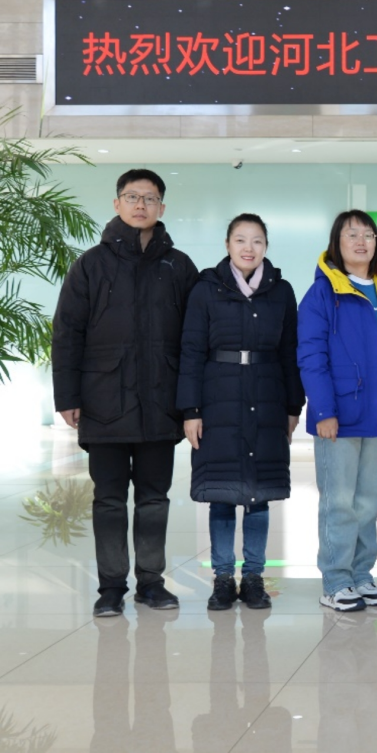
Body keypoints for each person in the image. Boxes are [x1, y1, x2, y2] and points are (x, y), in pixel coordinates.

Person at [52, 169, 199, 617]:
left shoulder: (179, 266)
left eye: (150, 198)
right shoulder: (90, 265)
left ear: (161, 208)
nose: (140, 205)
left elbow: (195, 340)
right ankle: (111, 587)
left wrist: (192, 403)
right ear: (117, 204)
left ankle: (151, 583)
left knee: (154, 499)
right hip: (104, 401)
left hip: (160, 402)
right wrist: (67, 396)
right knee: (109, 500)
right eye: (132, 197)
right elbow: (67, 333)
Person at [177, 214, 305, 611]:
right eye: (240, 240)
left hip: (267, 396)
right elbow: (191, 352)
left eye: (257, 241)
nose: (249, 248)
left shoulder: (281, 291)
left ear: (266, 246)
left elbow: (290, 352)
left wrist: (293, 405)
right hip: (218, 398)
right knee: (221, 492)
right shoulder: (205, 289)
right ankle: (221, 578)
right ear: (227, 244)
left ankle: (253, 578)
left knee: (258, 494)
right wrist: (191, 410)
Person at [298, 210, 377, 613]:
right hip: (339, 416)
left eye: (368, 235)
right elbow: (311, 357)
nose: (362, 242)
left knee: (368, 502)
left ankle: (361, 575)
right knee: (339, 502)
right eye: (352, 235)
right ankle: (335, 581)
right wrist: (323, 411)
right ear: (337, 243)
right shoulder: (322, 293)